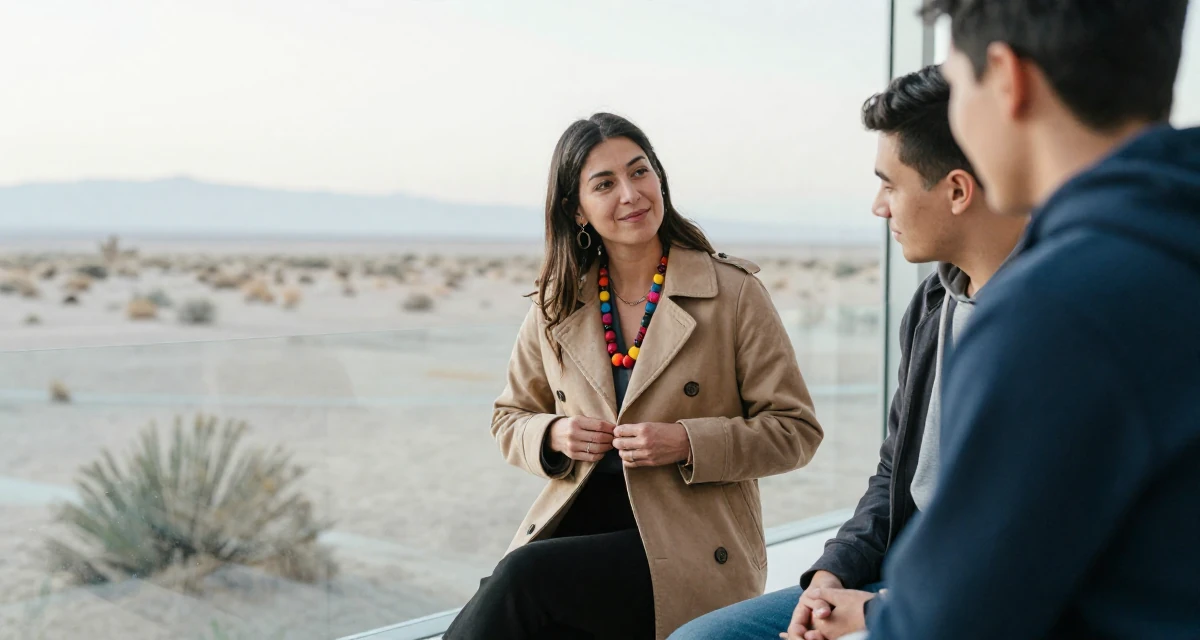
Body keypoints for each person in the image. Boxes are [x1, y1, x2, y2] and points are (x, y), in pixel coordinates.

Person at [802, 1, 1200, 639]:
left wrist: (876, 615)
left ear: (1007, 78)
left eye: (961, 86)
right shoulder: (1165, 246)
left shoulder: (1056, 312)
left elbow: (952, 624)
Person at [668, 65, 1027, 640]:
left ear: (957, 191)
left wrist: (875, 614)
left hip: (966, 602)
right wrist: (831, 575)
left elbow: (1031, 553)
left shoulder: (1049, 326)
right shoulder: (933, 305)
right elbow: (894, 474)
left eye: (890, 185)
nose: (879, 207)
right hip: (901, 576)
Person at [441, 112, 825, 640]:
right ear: (577, 209)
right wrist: (554, 433)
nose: (631, 193)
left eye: (640, 171)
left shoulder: (732, 292)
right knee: (518, 590)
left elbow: (795, 431)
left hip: (688, 541)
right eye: (604, 184)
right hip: (577, 525)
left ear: (659, 177)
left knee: (521, 581)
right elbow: (509, 417)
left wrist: (685, 441)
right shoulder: (557, 302)